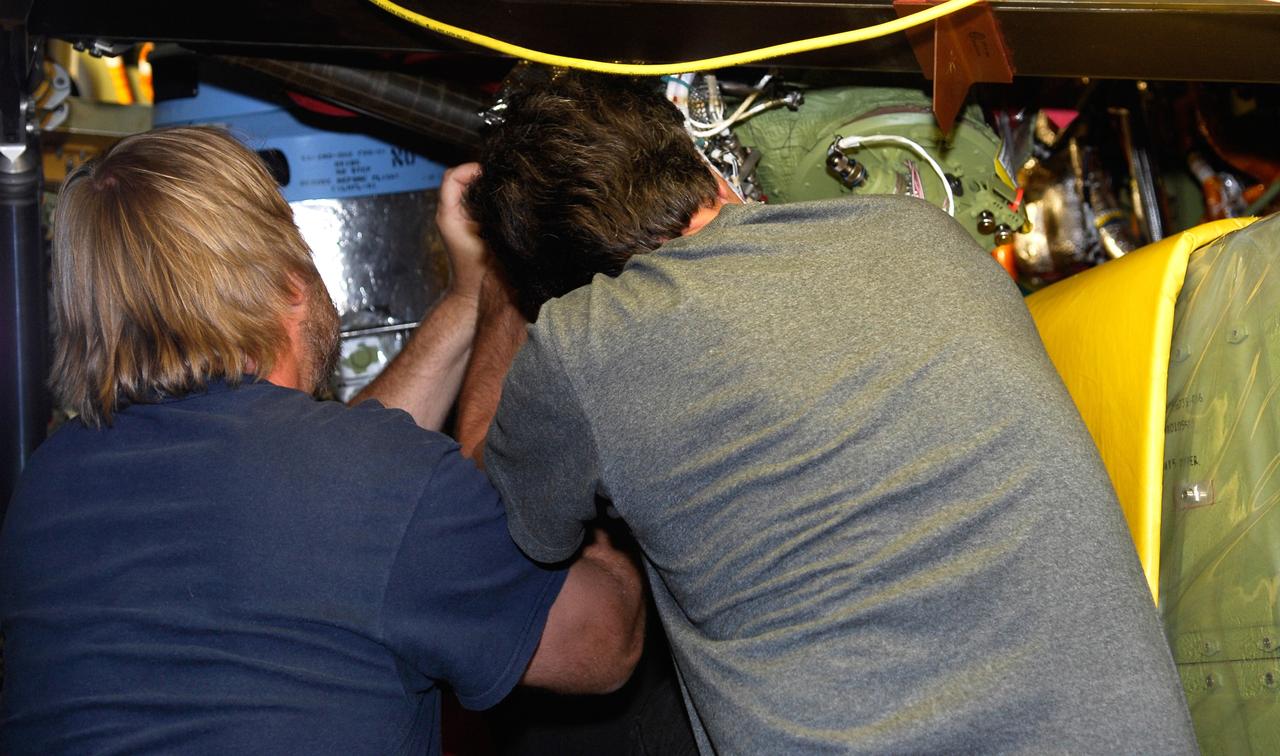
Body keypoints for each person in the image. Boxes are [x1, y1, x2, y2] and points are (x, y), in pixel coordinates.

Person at [392, 71, 1197, 753]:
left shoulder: (580, 343)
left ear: (562, 282)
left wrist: (493, 294)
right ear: (707, 175)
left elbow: (489, 535)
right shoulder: (921, 234)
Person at [0, 126, 644, 754]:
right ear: (289, 283)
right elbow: (602, 643)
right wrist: (511, 280)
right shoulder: (364, 482)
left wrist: (467, 297)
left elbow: (337, 507)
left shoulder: (48, 485)